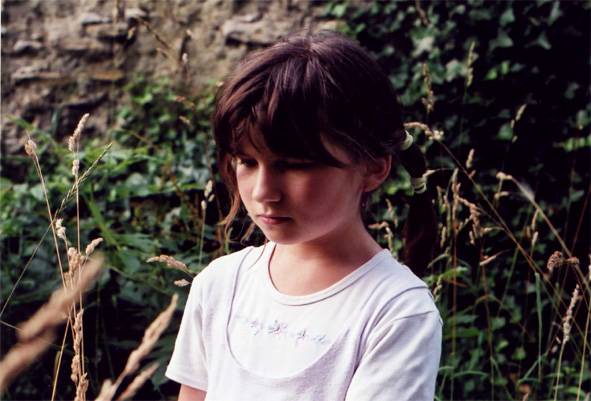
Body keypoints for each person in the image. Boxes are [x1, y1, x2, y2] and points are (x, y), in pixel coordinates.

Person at [166, 30, 442, 401]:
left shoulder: (396, 311)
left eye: (294, 165)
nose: (263, 191)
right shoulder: (219, 285)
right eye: (247, 161)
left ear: (373, 168)